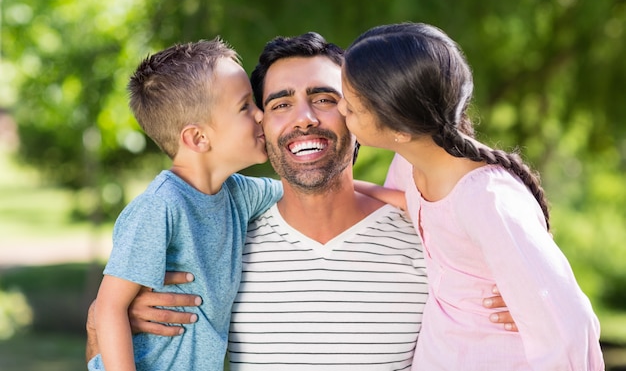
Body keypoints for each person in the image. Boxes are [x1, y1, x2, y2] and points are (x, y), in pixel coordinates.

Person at [86, 32, 517, 370]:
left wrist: (516, 304)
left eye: (325, 99)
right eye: (275, 104)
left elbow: (505, 320)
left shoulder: (430, 233)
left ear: (360, 114)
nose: (303, 117)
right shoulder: (208, 224)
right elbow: (108, 314)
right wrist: (115, 318)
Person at [338, 22, 605, 370]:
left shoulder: (487, 200)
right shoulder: (412, 162)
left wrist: (535, 304)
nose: (341, 112)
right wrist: (336, 187)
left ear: (401, 130)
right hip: (442, 352)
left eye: (352, 108)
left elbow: (569, 324)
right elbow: (415, 205)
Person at [88, 39, 283, 371]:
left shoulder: (237, 193)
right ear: (198, 138)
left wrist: (396, 196)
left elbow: (311, 189)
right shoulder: (160, 206)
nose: (261, 114)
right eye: (244, 106)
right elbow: (109, 308)